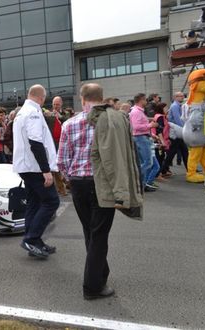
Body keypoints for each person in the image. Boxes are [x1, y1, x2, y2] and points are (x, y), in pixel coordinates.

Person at [58, 83, 139, 300]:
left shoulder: (69, 124)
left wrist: (70, 179)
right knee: (99, 234)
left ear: (83, 100)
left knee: (90, 231)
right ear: (102, 98)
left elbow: (62, 161)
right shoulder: (113, 120)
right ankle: (92, 287)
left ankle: (100, 273)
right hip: (102, 183)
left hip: (78, 184)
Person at [13, 84, 60, 259]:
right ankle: (32, 239)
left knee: (34, 202)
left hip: (28, 166)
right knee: (51, 202)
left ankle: (33, 239)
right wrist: (46, 170)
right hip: (34, 167)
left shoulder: (23, 112)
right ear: (41, 97)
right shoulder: (32, 112)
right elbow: (36, 142)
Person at [182, 69, 205, 183]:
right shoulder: (196, 105)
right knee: (195, 154)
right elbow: (195, 119)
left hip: (201, 134)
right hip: (195, 133)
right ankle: (191, 174)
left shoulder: (199, 103)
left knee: (204, 154)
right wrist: (197, 126)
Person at [129, 93, 159, 191]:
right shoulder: (137, 112)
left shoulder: (137, 111)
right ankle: (139, 183)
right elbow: (136, 126)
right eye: (145, 100)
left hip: (142, 137)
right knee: (147, 162)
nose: (146, 102)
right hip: (140, 138)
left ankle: (141, 184)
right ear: (141, 100)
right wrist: (150, 126)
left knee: (145, 162)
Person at [44, 96, 69, 196]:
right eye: (54, 104)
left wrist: (60, 117)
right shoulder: (49, 114)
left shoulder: (66, 113)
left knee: (63, 165)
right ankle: (61, 188)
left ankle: (65, 183)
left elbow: (68, 120)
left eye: (57, 104)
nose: (55, 106)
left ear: (61, 104)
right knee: (55, 166)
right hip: (54, 143)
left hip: (65, 142)